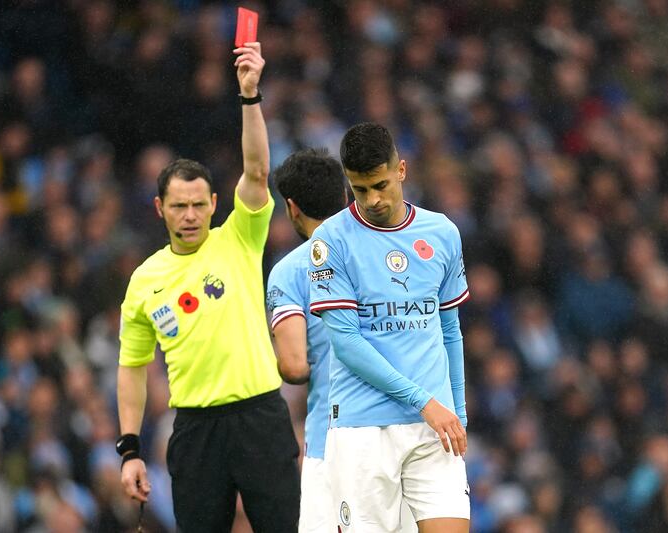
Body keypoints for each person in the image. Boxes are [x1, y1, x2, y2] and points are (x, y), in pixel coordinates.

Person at [115, 42, 300, 532]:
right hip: (195, 429)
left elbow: (258, 170)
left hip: (260, 417)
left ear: (215, 203)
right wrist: (129, 449)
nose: (191, 216)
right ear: (159, 209)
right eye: (179, 206)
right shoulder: (144, 281)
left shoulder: (239, 237)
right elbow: (132, 368)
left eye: (199, 204)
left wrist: (249, 96)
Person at [307, 123, 470, 533]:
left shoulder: (442, 233)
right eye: (360, 190)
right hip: (364, 427)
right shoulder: (330, 241)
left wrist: (459, 411)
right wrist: (425, 401)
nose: (373, 199)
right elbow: (346, 343)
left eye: (380, 185)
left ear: (401, 170)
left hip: (434, 424)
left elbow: (450, 330)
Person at [266, 149, 349, 532]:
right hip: (404, 426)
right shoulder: (387, 255)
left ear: (292, 207)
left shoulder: (290, 271)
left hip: (332, 437)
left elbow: (295, 366)